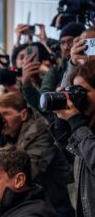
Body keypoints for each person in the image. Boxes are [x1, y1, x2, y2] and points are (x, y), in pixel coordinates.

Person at [0, 92, 73, 216]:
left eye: (6, 114)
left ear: (23, 114)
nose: (1, 119)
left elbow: (29, 171)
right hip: (26, 201)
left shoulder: (41, 132)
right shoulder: (6, 132)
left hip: (55, 200)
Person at [54, 60, 95, 217]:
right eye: (75, 91)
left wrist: (76, 122)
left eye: (83, 91)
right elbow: (69, 152)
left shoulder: (82, 126)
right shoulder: (87, 123)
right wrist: (62, 118)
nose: (78, 98)